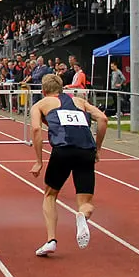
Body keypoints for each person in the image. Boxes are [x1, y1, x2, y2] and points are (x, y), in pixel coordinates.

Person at [28, 74, 108, 257]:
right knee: (86, 203)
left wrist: (39, 161)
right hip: (86, 150)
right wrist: (98, 148)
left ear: (43, 91)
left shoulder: (40, 104)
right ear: (62, 89)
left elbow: (36, 129)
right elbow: (103, 119)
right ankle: (81, 216)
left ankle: (51, 240)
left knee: (50, 194)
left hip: (63, 150)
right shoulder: (79, 101)